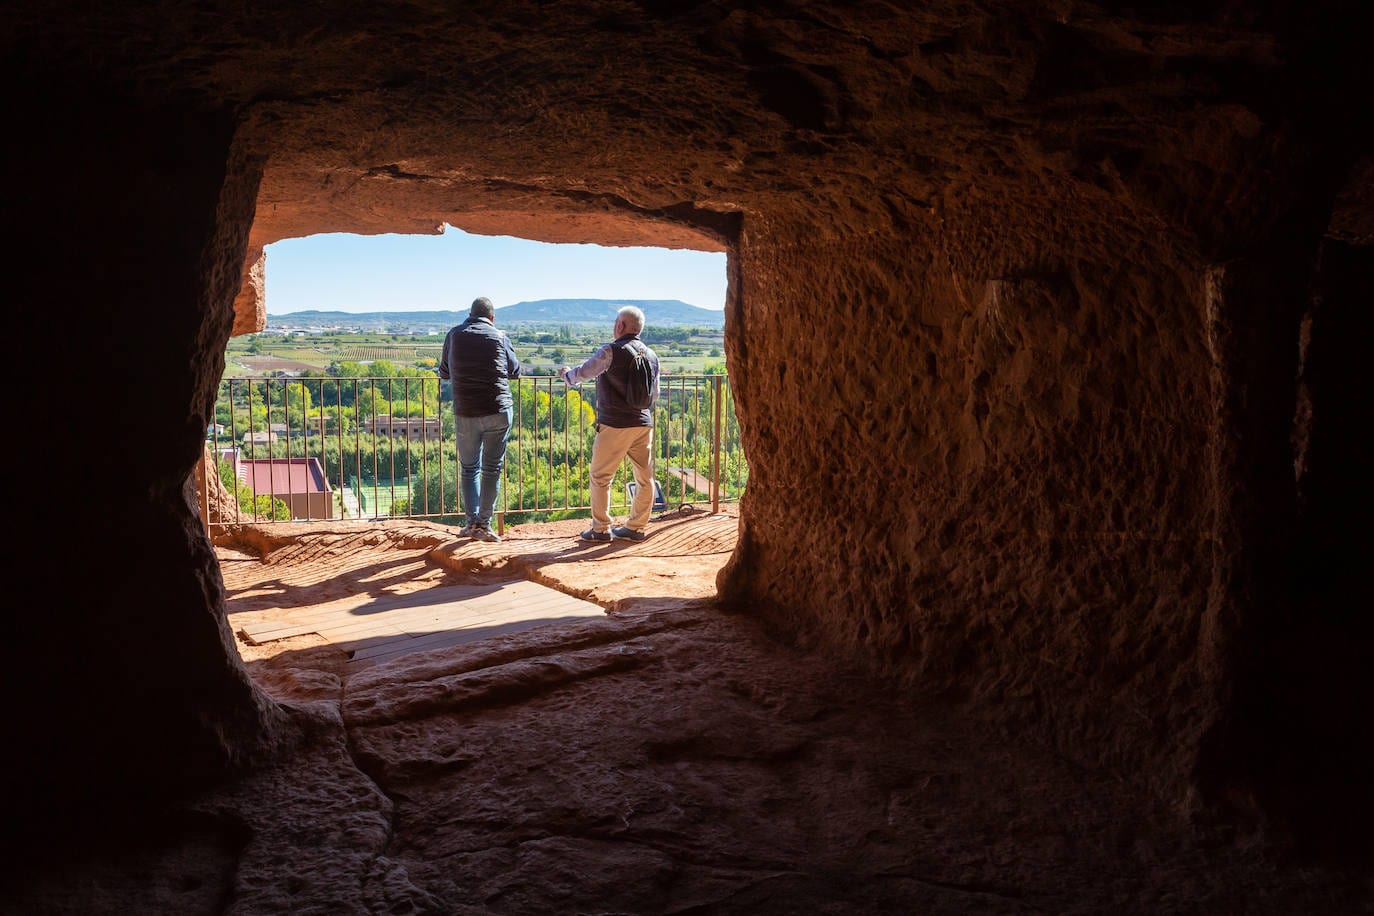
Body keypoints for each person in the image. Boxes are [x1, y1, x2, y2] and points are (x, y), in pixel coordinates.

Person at [559, 305, 661, 542]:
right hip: (643, 423)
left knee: (600, 476)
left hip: (614, 424)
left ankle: (601, 529)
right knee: (645, 477)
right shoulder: (652, 355)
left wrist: (566, 375)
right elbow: (654, 395)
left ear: (620, 326)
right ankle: (636, 527)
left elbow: (583, 372)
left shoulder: (611, 351)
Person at [437, 297, 520, 542]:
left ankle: (471, 523)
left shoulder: (454, 335)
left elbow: (444, 372)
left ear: (469, 314)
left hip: (466, 412)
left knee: (469, 468)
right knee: (492, 469)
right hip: (498, 409)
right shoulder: (500, 336)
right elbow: (514, 371)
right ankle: (484, 525)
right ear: (492, 318)